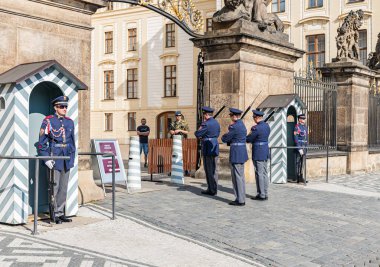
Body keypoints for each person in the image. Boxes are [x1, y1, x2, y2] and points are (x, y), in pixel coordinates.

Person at [38, 96, 75, 224]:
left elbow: (72, 143)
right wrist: (46, 159)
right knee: (54, 187)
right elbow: (41, 143)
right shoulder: (48, 121)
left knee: (63, 188)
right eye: (61, 106)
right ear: (55, 107)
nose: (64, 109)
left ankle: (60, 212)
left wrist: (72, 158)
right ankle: (54, 214)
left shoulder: (70, 122)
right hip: (54, 157)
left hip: (66, 158)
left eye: (66, 106)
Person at [221, 108, 248, 206]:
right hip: (242, 152)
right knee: (240, 176)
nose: (231, 117)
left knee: (236, 177)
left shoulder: (234, 127)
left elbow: (225, 138)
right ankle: (241, 198)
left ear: (233, 116)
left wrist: (226, 133)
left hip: (236, 152)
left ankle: (240, 199)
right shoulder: (242, 125)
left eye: (231, 116)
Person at [195, 106, 220, 196]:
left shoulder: (206, 124)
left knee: (209, 169)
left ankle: (211, 189)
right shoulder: (216, 123)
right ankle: (214, 188)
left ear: (206, 114)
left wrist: (201, 127)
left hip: (207, 147)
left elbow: (197, 134)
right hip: (215, 146)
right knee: (214, 169)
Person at [246, 109, 271, 201]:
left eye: (253, 117)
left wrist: (248, 136)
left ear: (256, 118)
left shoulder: (256, 128)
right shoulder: (267, 126)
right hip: (265, 150)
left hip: (258, 151)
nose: (253, 119)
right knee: (264, 173)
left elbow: (250, 139)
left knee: (259, 173)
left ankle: (261, 194)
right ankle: (265, 192)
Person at [294, 114, 308, 183]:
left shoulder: (305, 127)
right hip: (300, 146)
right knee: (298, 163)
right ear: (299, 119)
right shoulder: (297, 127)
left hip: (304, 146)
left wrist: (306, 147)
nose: (304, 120)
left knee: (303, 163)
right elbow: (296, 138)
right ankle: (298, 177)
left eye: (304, 119)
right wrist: (299, 148)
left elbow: (306, 138)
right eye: (302, 119)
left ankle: (302, 176)